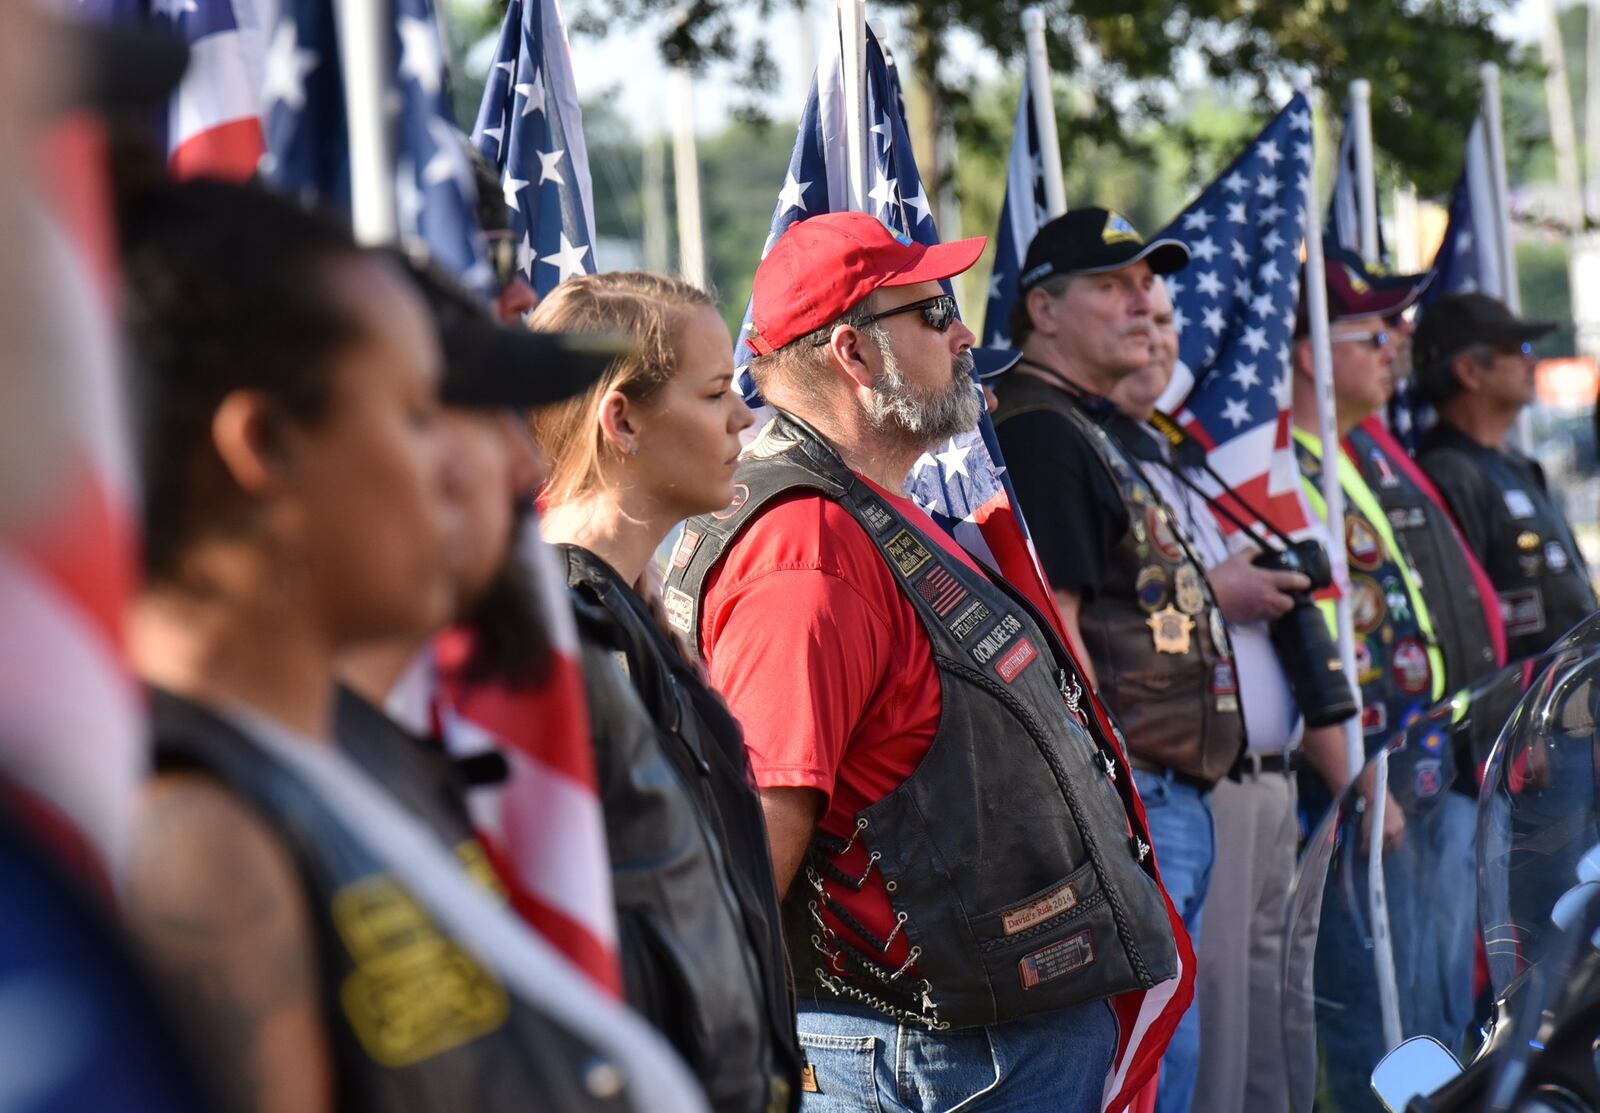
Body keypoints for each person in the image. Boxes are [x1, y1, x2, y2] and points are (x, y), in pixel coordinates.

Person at [115, 177, 703, 1113]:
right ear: (265, 445)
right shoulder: (198, 840)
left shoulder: (356, 754)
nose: (507, 469)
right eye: (420, 416)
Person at [664, 210, 1180, 1112]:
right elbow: (763, 824)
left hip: (977, 1040)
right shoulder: (805, 549)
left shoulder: (858, 508)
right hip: (936, 1055)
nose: (964, 331)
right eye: (934, 310)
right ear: (854, 357)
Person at [531, 271, 806, 1113]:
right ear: (622, 419)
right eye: (717, 391)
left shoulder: (625, 603)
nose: (744, 419)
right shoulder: (571, 629)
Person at [991, 207, 1236, 1113]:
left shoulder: (1080, 422)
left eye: (1147, 283)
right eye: (1110, 285)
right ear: (1043, 310)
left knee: (1170, 1050)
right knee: (1147, 1059)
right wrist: (1113, 798)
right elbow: (1055, 633)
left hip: (1170, 792)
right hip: (1137, 795)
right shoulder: (1041, 429)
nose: (1143, 303)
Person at [1106, 282, 1310, 1113]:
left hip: (1258, 774)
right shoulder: (1086, 448)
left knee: (1261, 1001)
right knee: (1209, 1008)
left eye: (1165, 324)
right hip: (1186, 775)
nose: (1156, 340)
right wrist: (1216, 592)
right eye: (1136, 322)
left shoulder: (1169, 451)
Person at [1288, 260, 1450, 1113]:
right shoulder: (1288, 466)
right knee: (1372, 1013)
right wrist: (1353, 772)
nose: (1399, 350)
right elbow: (1311, 639)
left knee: (1422, 997)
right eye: (1378, 334)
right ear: (1312, 354)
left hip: (1405, 769)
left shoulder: (1345, 456)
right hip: (1352, 788)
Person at [1322, 249, 1506, 693]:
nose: (1403, 334)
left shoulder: (1370, 441)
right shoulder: (1316, 453)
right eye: (1379, 330)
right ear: (1313, 354)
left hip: (1456, 720)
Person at [1414, 292, 1598, 660]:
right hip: (1513, 704)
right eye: (1516, 349)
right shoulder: (1450, 473)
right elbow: (1463, 611)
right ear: (1468, 371)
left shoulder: (1516, 465)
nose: (1532, 361)